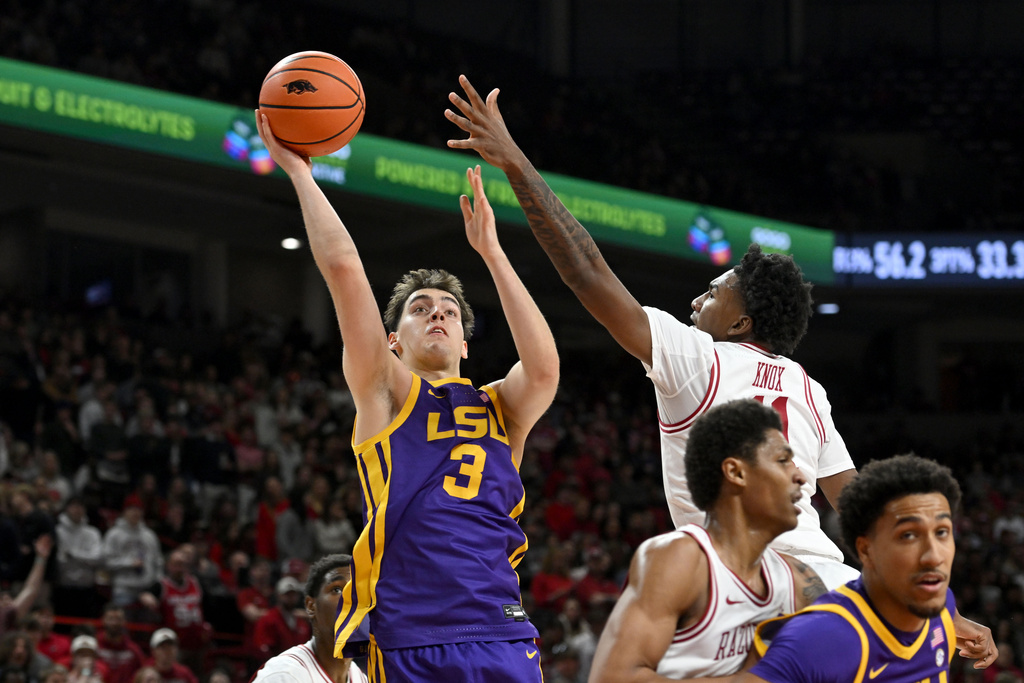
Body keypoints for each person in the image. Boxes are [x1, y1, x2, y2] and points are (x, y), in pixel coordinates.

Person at [444, 75, 995, 659]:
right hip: (840, 594)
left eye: (712, 293)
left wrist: (515, 163)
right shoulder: (807, 388)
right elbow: (859, 501)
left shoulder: (697, 354)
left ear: (740, 324)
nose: (694, 303)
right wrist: (941, 605)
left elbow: (586, 271)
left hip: (745, 591)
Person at [256, 103, 558, 683]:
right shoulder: (386, 393)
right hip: (411, 630)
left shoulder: (501, 408)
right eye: (421, 310)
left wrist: (493, 253)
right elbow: (345, 269)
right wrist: (300, 174)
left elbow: (544, 368)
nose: (438, 316)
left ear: (467, 344)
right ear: (394, 341)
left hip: (501, 627)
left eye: (449, 312)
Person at [680, 454, 992, 682]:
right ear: (867, 548)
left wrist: (954, 620)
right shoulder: (826, 634)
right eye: (908, 535)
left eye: (942, 533)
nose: (932, 554)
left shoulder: (938, 612)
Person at [587, 399, 826, 681]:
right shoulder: (681, 559)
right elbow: (613, 678)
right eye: (783, 460)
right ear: (736, 472)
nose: (800, 476)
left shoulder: (800, 581)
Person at [250, 553, 367, 683]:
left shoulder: (361, 677)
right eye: (337, 589)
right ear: (311, 606)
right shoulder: (283, 675)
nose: (351, 598)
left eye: (360, 590)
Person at [252, 577, 311, 660]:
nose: (291, 598)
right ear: (278, 595)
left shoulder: (302, 622)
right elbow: (262, 648)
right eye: (287, 594)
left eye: (293, 594)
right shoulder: (268, 619)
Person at [94, 604, 145, 683]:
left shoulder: (133, 649)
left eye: (118, 619)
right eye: (110, 618)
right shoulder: (94, 645)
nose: (114, 623)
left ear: (124, 621)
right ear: (103, 620)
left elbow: (143, 672)